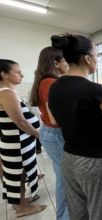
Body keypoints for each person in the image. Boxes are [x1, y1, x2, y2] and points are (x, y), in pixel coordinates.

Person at [48, 34, 102, 220]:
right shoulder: (94, 89)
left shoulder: (55, 87)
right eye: (97, 56)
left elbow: (54, 120)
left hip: (69, 157)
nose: (97, 61)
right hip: (96, 161)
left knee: (77, 211)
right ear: (87, 58)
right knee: (99, 211)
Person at [0, 59, 46, 217]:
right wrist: (37, 134)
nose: (22, 75)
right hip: (16, 144)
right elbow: (20, 121)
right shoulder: (6, 93)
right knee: (18, 175)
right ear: (4, 74)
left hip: (18, 142)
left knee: (19, 174)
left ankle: (20, 203)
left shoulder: (8, 92)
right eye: (17, 72)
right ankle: (21, 208)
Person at [29, 46, 70, 220]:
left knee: (63, 177)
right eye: (65, 60)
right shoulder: (51, 83)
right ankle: (64, 217)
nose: (68, 64)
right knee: (65, 181)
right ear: (56, 63)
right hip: (55, 135)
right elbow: (55, 119)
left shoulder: (44, 81)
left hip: (50, 134)